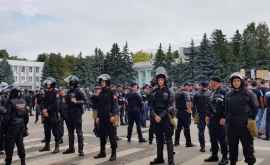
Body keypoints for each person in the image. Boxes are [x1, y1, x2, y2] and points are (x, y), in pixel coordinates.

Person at [226, 73, 258, 165]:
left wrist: (250, 119)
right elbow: (226, 109)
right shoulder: (229, 94)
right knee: (232, 146)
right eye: (234, 81)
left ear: (241, 82)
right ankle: (233, 162)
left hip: (245, 125)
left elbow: (255, 107)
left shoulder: (248, 93)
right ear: (231, 82)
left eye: (238, 81)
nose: (236, 83)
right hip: (232, 125)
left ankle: (250, 162)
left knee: (248, 147)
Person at [149, 69, 175, 165]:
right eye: (159, 79)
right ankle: (160, 158)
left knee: (168, 139)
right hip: (156, 118)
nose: (160, 81)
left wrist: (161, 116)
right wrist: (155, 115)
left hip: (165, 118)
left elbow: (170, 106)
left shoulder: (169, 91)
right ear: (157, 80)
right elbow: (150, 105)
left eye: (162, 79)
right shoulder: (154, 91)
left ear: (165, 80)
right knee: (159, 139)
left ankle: (171, 161)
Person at [94, 74, 118, 161]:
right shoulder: (101, 93)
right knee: (102, 136)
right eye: (101, 82)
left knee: (112, 136)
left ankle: (114, 153)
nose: (102, 83)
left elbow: (115, 105)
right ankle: (102, 152)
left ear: (107, 82)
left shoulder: (112, 92)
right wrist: (97, 117)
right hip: (102, 118)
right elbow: (99, 106)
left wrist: (113, 115)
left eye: (104, 81)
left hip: (110, 118)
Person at [204, 77, 228, 165]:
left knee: (222, 139)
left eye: (215, 82)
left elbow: (227, 106)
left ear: (219, 83)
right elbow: (209, 106)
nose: (213, 84)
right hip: (212, 119)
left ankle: (225, 157)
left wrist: (224, 117)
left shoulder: (224, 92)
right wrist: (207, 115)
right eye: (211, 82)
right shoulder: (211, 93)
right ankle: (214, 155)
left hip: (220, 119)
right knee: (213, 138)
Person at [63, 75, 85, 156]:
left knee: (79, 132)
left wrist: (77, 102)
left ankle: (81, 150)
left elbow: (85, 101)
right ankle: (71, 148)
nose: (68, 83)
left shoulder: (79, 91)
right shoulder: (69, 91)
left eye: (69, 82)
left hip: (77, 114)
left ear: (73, 82)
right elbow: (67, 102)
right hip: (69, 114)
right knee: (70, 132)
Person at [3, 87, 27, 165]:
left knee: (9, 145)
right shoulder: (23, 101)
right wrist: (25, 126)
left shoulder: (10, 102)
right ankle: (23, 161)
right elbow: (26, 116)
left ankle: (8, 162)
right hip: (21, 125)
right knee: (20, 143)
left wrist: (4, 128)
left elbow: (7, 117)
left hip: (12, 126)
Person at [39, 77, 61, 154]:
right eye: (47, 84)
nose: (47, 85)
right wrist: (43, 110)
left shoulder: (56, 92)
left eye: (48, 84)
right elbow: (42, 102)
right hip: (46, 114)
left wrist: (47, 110)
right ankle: (47, 146)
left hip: (53, 114)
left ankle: (57, 146)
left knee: (55, 131)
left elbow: (56, 104)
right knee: (46, 131)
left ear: (52, 84)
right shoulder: (46, 92)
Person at [193, 81, 211, 152]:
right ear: (206, 86)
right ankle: (213, 146)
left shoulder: (196, 94)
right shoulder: (210, 93)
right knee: (212, 131)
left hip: (200, 114)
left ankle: (202, 147)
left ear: (201, 86)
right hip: (209, 115)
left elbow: (193, 106)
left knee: (201, 131)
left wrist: (194, 115)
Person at [174, 83, 194, 147]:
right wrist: (189, 111)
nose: (189, 88)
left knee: (178, 128)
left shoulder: (177, 93)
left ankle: (176, 142)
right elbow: (188, 102)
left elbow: (174, 103)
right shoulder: (186, 93)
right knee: (186, 128)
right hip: (185, 112)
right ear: (185, 87)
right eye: (188, 86)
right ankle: (188, 143)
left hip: (179, 112)